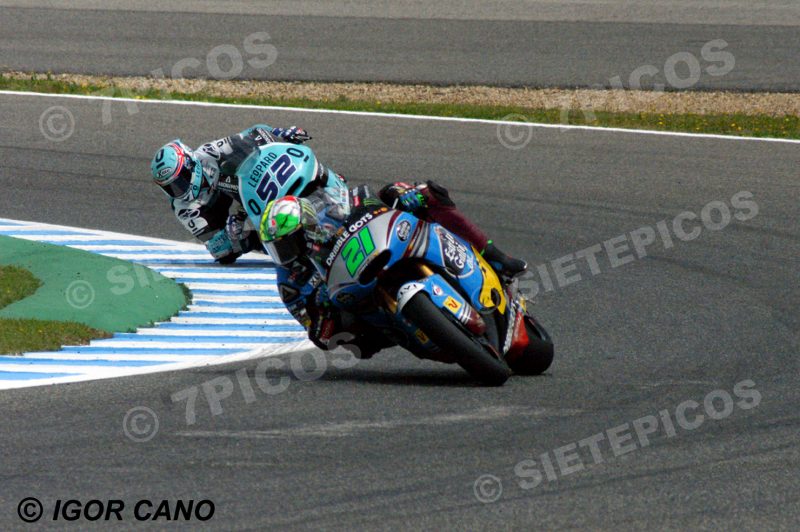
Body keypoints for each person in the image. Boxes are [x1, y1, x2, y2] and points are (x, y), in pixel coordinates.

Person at [259, 184, 526, 359]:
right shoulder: (290, 283)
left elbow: (366, 196)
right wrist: (322, 316)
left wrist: (399, 194)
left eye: (288, 242)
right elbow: (319, 337)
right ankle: (419, 329)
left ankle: (496, 257)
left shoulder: (331, 210)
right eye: (278, 248)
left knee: (431, 195)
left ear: (307, 223)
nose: (285, 253)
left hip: (384, 249)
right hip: (359, 303)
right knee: (355, 343)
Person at [149, 124, 311, 264]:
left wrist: (279, 133)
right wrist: (233, 233)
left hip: (247, 188)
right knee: (235, 247)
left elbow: (253, 133)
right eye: (170, 187)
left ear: (191, 164)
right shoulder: (184, 209)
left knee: (237, 163)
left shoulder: (209, 152)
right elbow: (217, 248)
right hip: (221, 216)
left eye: (180, 181)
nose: (178, 190)